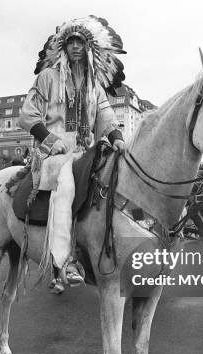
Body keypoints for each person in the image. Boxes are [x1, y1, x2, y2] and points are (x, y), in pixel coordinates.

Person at [19, 16, 127, 293]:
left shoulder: (95, 86)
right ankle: (65, 261)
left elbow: (106, 116)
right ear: (63, 47)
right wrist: (51, 139)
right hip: (53, 153)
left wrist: (116, 138)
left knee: (115, 177)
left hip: (86, 152)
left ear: (89, 48)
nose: (76, 46)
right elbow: (28, 115)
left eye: (81, 41)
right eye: (71, 41)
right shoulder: (46, 78)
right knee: (67, 183)